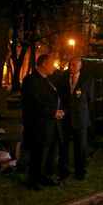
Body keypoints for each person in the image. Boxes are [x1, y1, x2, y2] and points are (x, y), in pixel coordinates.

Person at [21, 54, 64, 190]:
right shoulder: (31, 80)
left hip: (50, 123)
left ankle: (44, 176)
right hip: (39, 124)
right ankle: (33, 180)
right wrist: (52, 112)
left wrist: (58, 111)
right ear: (44, 64)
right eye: (52, 63)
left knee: (49, 152)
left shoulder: (47, 79)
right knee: (39, 153)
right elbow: (35, 103)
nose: (54, 66)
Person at [56, 57, 93, 180]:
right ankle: (63, 170)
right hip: (65, 118)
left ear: (80, 66)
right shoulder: (62, 78)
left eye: (74, 65)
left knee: (80, 146)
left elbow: (90, 99)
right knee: (64, 145)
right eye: (70, 64)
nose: (71, 67)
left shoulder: (86, 80)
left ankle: (80, 170)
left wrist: (84, 113)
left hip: (80, 118)